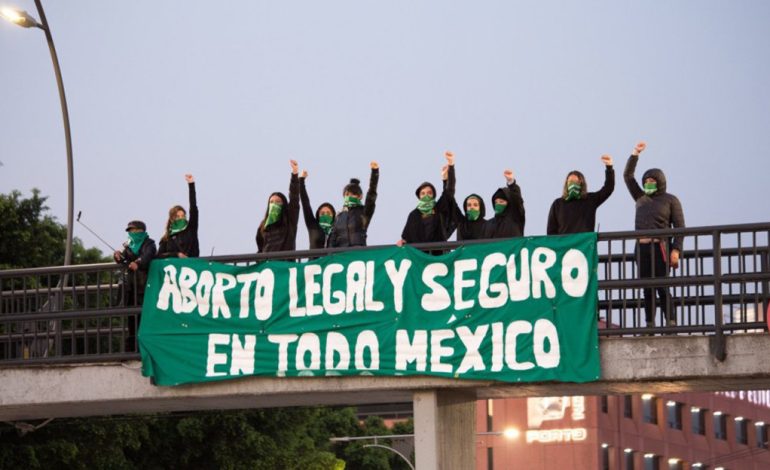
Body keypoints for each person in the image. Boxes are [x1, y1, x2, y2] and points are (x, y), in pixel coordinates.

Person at [624, 141, 685, 327]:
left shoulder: (670, 200)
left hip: (661, 247)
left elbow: (680, 227)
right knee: (646, 289)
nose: (648, 184)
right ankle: (649, 325)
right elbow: (628, 176)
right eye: (646, 181)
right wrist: (635, 154)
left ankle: (671, 323)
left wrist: (676, 250)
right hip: (641, 248)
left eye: (652, 181)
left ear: (660, 182)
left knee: (663, 287)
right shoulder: (640, 198)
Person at [397, 152, 457, 248]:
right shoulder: (413, 215)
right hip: (419, 259)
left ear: (433, 196)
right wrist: (402, 242)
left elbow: (449, 191)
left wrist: (450, 168)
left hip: (439, 256)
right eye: (423, 193)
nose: (426, 196)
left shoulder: (439, 209)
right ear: (419, 196)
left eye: (429, 193)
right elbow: (406, 238)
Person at [113, 220, 156, 351]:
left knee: (144, 318)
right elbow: (122, 258)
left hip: (145, 287)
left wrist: (138, 263)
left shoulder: (150, 244)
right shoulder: (128, 246)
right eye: (130, 231)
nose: (132, 233)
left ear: (141, 231)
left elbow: (148, 256)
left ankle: (146, 348)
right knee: (131, 319)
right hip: (131, 287)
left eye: (134, 231)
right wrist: (117, 256)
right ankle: (132, 349)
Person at [547, 155, 615, 235]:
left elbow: (608, 189)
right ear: (566, 184)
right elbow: (551, 232)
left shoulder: (590, 200)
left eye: (576, 181)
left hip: (583, 246)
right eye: (570, 181)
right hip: (564, 246)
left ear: (581, 184)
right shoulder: (557, 204)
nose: (572, 184)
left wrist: (609, 168)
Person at [327, 161, 379, 248]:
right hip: (341, 256)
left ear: (360, 196)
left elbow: (371, 195)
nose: (349, 196)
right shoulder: (339, 216)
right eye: (347, 194)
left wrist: (375, 173)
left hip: (358, 254)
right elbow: (332, 239)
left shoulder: (364, 212)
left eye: (353, 194)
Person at [256, 160, 300, 253]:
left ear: (284, 205)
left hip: (285, 265)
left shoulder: (289, 221)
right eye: (271, 202)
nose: (274, 205)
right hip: (268, 266)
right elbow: (260, 249)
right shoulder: (263, 226)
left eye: (278, 202)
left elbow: (294, 198)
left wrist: (294, 174)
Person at [157, 174, 199, 258]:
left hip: (192, 267)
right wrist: (176, 255)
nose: (181, 218)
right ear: (172, 219)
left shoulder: (191, 229)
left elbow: (193, 208)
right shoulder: (167, 238)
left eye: (183, 216)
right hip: (175, 269)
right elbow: (158, 256)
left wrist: (191, 185)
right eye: (178, 216)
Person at [482, 169, 525, 239]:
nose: (498, 204)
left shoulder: (515, 219)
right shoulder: (488, 224)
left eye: (501, 202)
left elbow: (517, 201)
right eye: (496, 202)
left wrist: (511, 183)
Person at [299, 169, 336, 249]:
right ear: (318, 216)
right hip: (315, 261)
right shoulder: (313, 225)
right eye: (322, 213)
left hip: (333, 261)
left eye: (328, 213)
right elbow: (305, 203)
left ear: (333, 216)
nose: (325, 215)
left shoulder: (336, 229)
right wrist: (301, 181)